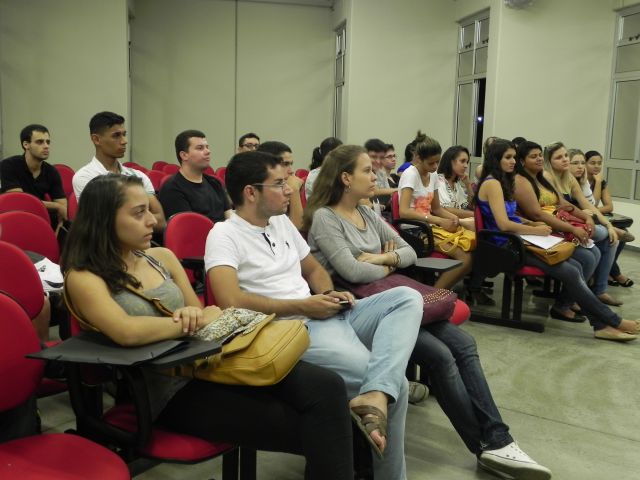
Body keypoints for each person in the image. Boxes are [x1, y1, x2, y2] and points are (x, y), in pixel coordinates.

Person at [61, 174, 354, 479]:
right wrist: (185, 324)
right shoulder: (84, 277)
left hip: (209, 363)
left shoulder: (161, 257)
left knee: (327, 387)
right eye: (138, 213)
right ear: (104, 220)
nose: (152, 220)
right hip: (167, 390)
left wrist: (194, 320)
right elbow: (127, 331)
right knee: (317, 425)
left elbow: (203, 316)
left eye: (149, 209)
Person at [304, 143, 553, 480]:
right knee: (440, 355)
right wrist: (388, 263)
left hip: (392, 299)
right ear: (346, 178)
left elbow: (409, 251)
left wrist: (382, 259)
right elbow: (352, 273)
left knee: (464, 344)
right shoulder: (325, 217)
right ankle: (486, 445)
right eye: (366, 171)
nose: (375, 176)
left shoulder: (366, 213)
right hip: (362, 307)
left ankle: (497, 439)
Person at [205, 150, 423, 479]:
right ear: (251, 192)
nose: (289, 189)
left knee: (406, 298)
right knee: (398, 386)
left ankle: (375, 393)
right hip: (289, 329)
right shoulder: (224, 234)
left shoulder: (280, 223)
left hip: (322, 312)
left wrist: (325, 293)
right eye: (279, 184)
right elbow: (229, 301)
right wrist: (304, 306)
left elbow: (314, 269)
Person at [478, 139, 639, 342]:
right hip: (507, 246)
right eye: (508, 157)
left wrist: (531, 224)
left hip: (518, 239)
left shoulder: (502, 181)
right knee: (571, 270)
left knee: (576, 266)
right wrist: (535, 229)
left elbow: (512, 217)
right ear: (496, 159)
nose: (513, 162)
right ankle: (612, 322)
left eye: (514, 157)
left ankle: (601, 325)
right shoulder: (493, 183)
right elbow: (503, 224)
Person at [513, 141, 598, 322]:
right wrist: (573, 228)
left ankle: (570, 300)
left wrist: (586, 217)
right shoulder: (522, 181)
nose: (539, 159)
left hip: (557, 229)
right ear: (522, 161)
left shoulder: (542, 178)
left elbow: (563, 204)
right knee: (586, 259)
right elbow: (537, 214)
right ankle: (566, 304)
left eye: (539, 155)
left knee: (594, 253)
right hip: (542, 233)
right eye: (533, 156)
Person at [544, 142, 620, 307]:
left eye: (566, 156)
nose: (565, 159)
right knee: (600, 241)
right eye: (559, 157)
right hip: (557, 228)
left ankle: (597, 291)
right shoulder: (547, 176)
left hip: (572, 225)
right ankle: (577, 297)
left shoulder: (569, 177)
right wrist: (591, 221)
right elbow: (561, 205)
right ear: (549, 161)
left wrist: (608, 225)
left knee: (610, 240)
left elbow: (589, 205)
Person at [397, 133, 473, 291]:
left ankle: (439, 292)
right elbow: (404, 212)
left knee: (472, 245)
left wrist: (454, 219)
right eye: (431, 163)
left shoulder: (433, 176)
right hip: (414, 230)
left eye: (437, 162)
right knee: (465, 257)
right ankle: (434, 295)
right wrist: (438, 220)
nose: (435, 166)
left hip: (428, 226)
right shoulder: (410, 175)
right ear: (419, 159)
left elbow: (437, 208)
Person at [72, 111, 166, 231]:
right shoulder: (85, 177)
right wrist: (141, 216)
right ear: (96, 139)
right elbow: (103, 224)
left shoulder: (139, 176)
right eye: (116, 136)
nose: (124, 141)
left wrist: (128, 218)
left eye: (124, 134)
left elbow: (160, 221)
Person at [0, 124, 67, 228]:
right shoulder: (9, 165)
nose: (46, 146)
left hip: (40, 217)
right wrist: (55, 206)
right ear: (26, 145)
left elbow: (63, 206)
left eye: (48, 142)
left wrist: (58, 230)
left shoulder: (52, 171)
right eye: (40, 142)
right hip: (12, 217)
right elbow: (19, 200)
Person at [584, 150, 634, 287]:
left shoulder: (601, 182)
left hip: (594, 216)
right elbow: (594, 203)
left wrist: (594, 212)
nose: (597, 166)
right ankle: (614, 273)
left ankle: (607, 272)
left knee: (622, 234)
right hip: (585, 218)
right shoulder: (582, 181)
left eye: (599, 163)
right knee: (615, 236)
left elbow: (609, 206)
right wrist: (597, 183)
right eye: (592, 163)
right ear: (585, 164)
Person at [158, 130, 231, 222]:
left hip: (223, 230)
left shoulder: (214, 182)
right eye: (200, 148)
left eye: (207, 147)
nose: (208, 151)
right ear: (184, 155)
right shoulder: (172, 188)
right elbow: (188, 226)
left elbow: (229, 215)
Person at [257, 141, 304, 229]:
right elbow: (296, 227)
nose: (291, 171)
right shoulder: (266, 189)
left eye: (291, 164)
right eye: (285, 164)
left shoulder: (287, 185)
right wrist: (294, 191)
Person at [436, 145, 475, 230]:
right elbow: (445, 209)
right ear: (451, 161)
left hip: (457, 224)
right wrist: (474, 215)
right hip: (444, 225)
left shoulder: (456, 183)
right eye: (462, 161)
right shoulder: (439, 180)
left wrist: (468, 185)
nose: (466, 166)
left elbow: (472, 205)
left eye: (467, 162)